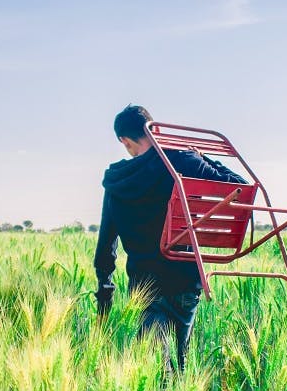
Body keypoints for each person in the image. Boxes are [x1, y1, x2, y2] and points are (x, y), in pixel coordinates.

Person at [94, 104, 246, 368]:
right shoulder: (183, 161)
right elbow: (240, 188)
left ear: (125, 140)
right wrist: (202, 158)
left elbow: (106, 246)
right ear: (155, 131)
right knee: (179, 365)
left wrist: (104, 299)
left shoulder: (116, 180)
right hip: (185, 282)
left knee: (154, 373)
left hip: (145, 286)